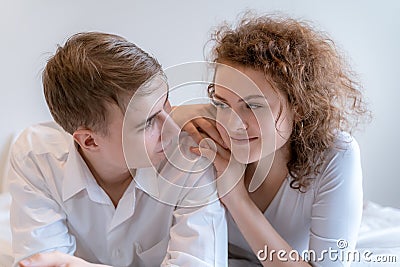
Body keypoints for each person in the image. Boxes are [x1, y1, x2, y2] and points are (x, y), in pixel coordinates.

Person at [9, 32, 227, 267]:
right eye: (149, 122)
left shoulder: (190, 156)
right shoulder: (37, 157)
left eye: (166, 103)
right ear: (89, 142)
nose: (173, 130)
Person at [172, 14, 370, 266]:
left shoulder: (336, 154)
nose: (233, 124)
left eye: (253, 105)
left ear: (298, 107)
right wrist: (175, 117)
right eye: (222, 103)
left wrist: (236, 196)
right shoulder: (206, 130)